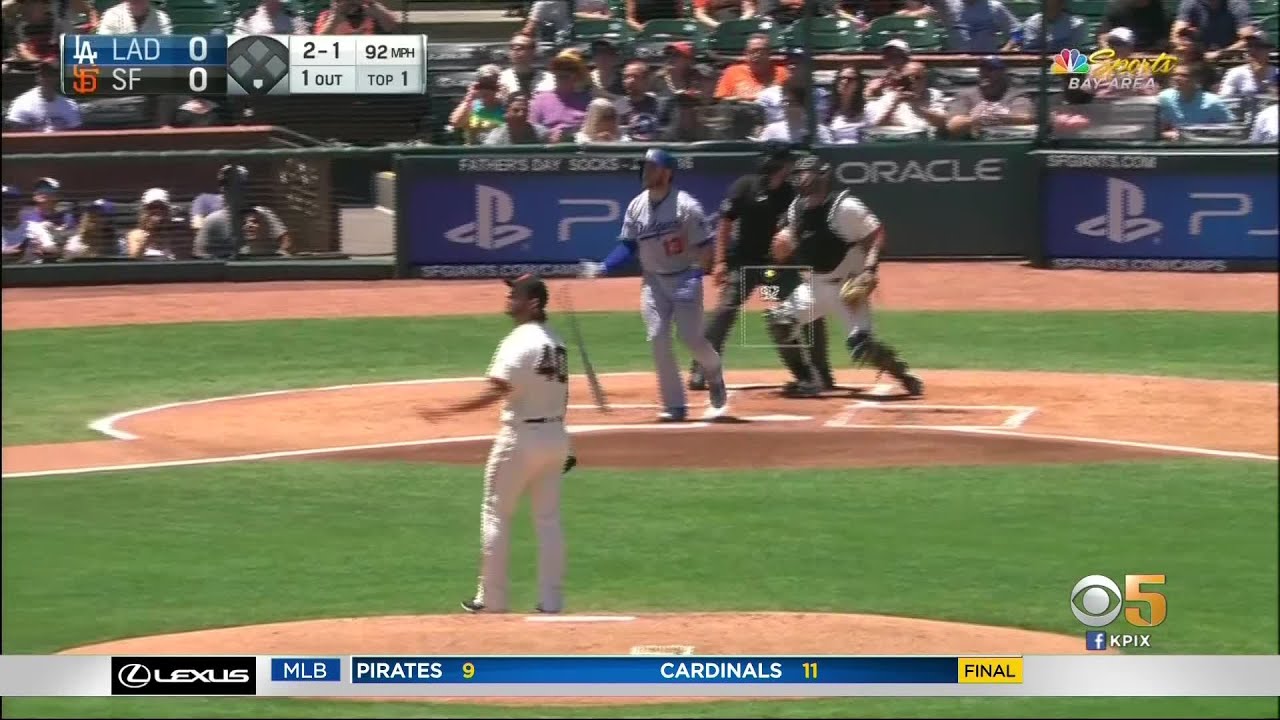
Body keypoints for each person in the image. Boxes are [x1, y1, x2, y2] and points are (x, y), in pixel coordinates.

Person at [423, 275, 573, 615]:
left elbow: (496, 389)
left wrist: (448, 410)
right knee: (548, 520)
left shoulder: (519, 341)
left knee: (496, 514)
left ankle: (491, 598)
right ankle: (552, 601)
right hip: (555, 436)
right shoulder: (557, 341)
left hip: (520, 439)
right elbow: (562, 394)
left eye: (515, 294)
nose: (509, 297)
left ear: (533, 303)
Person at [578, 148, 729, 422]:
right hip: (653, 282)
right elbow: (628, 246)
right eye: (644, 167)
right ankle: (675, 405)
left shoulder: (687, 207)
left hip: (685, 277)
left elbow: (705, 250)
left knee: (691, 339)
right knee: (658, 338)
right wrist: (604, 267)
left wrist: (696, 275)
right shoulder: (637, 206)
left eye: (651, 167)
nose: (645, 172)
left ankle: (714, 371)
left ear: (667, 172)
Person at [767, 155, 923, 397]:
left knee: (862, 346)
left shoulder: (845, 207)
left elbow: (877, 233)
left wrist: (870, 268)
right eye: (796, 174)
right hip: (814, 287)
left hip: (847, 289)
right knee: (780, 323)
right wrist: (782, 245)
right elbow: (795, 242)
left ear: (821, 175)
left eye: (804, 173)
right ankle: (809, 380)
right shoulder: (796, 208)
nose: (798, 179)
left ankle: (902, 373)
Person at [688, 144, 836, 396]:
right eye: (788, 163)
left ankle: (818, 371)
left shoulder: (793, 194)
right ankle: (703, 367)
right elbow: (724, 225)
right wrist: (721, 262)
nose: (793, 168)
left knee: (808, 311)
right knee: (726, 309)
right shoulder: (745, 187)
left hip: (776, 267)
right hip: (743, 262)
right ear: (777, 165)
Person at [1157, 62, 1233, 140]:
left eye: (1183, 75)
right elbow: (1153, 129)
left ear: (1196, 79)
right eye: (1175, 75)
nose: (1177, 78)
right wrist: (1166, 134)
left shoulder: (1213, 102)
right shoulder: (1164, 98)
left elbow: (1229, 129)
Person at [1, 184, 58, 263]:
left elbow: (52, 249)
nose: (7, 205)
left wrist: (42, 249)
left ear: (19, 204)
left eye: (11, 201)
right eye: (4, 202)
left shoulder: (35, 227)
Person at [827, 65, 868, 143]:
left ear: (858, 84)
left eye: (850, 79)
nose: (844, 82)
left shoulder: (866, 110)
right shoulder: (825, 108)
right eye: (841, 78)